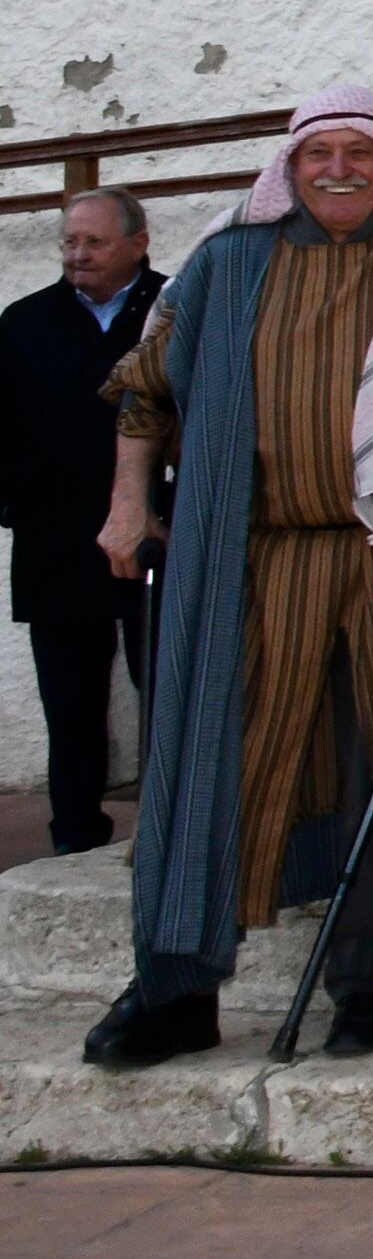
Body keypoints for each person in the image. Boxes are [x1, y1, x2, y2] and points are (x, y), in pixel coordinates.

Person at [85, 90, 373, 1068]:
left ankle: (366, 983)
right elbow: (143, 388)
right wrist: (125, 501)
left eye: (356, 151)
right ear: (289, 162)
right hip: (251, 556)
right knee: (217, 762)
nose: (336, 168)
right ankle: (175, 986)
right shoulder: (228, 261)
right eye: (316, 150)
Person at [0, 190, 162, 856]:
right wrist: (17, 503)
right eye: (69, 241)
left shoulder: (174, 306)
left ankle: (168, 833)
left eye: (93, 242)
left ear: (136, 243)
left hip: (160, 533)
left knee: (166, 691)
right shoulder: (25, 321)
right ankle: (74, 835)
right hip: (57, 540)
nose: (77, 254)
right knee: (70, 706)